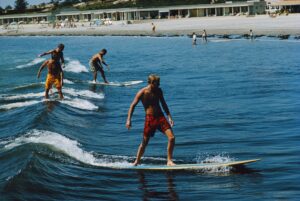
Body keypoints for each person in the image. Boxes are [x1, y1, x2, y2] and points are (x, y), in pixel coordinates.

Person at [126, 74, 176, 166]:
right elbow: (132, 105)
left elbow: (164, 104)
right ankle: (137, 161)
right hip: (150, 119)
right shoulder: (142, 92)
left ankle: (169, 160)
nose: (159, 85)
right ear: (151, 83)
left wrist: (169, 117)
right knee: (144, 142)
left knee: (172, 138)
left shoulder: (159, 91)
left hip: (160, 117)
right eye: (157, 83)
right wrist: (129, 120)